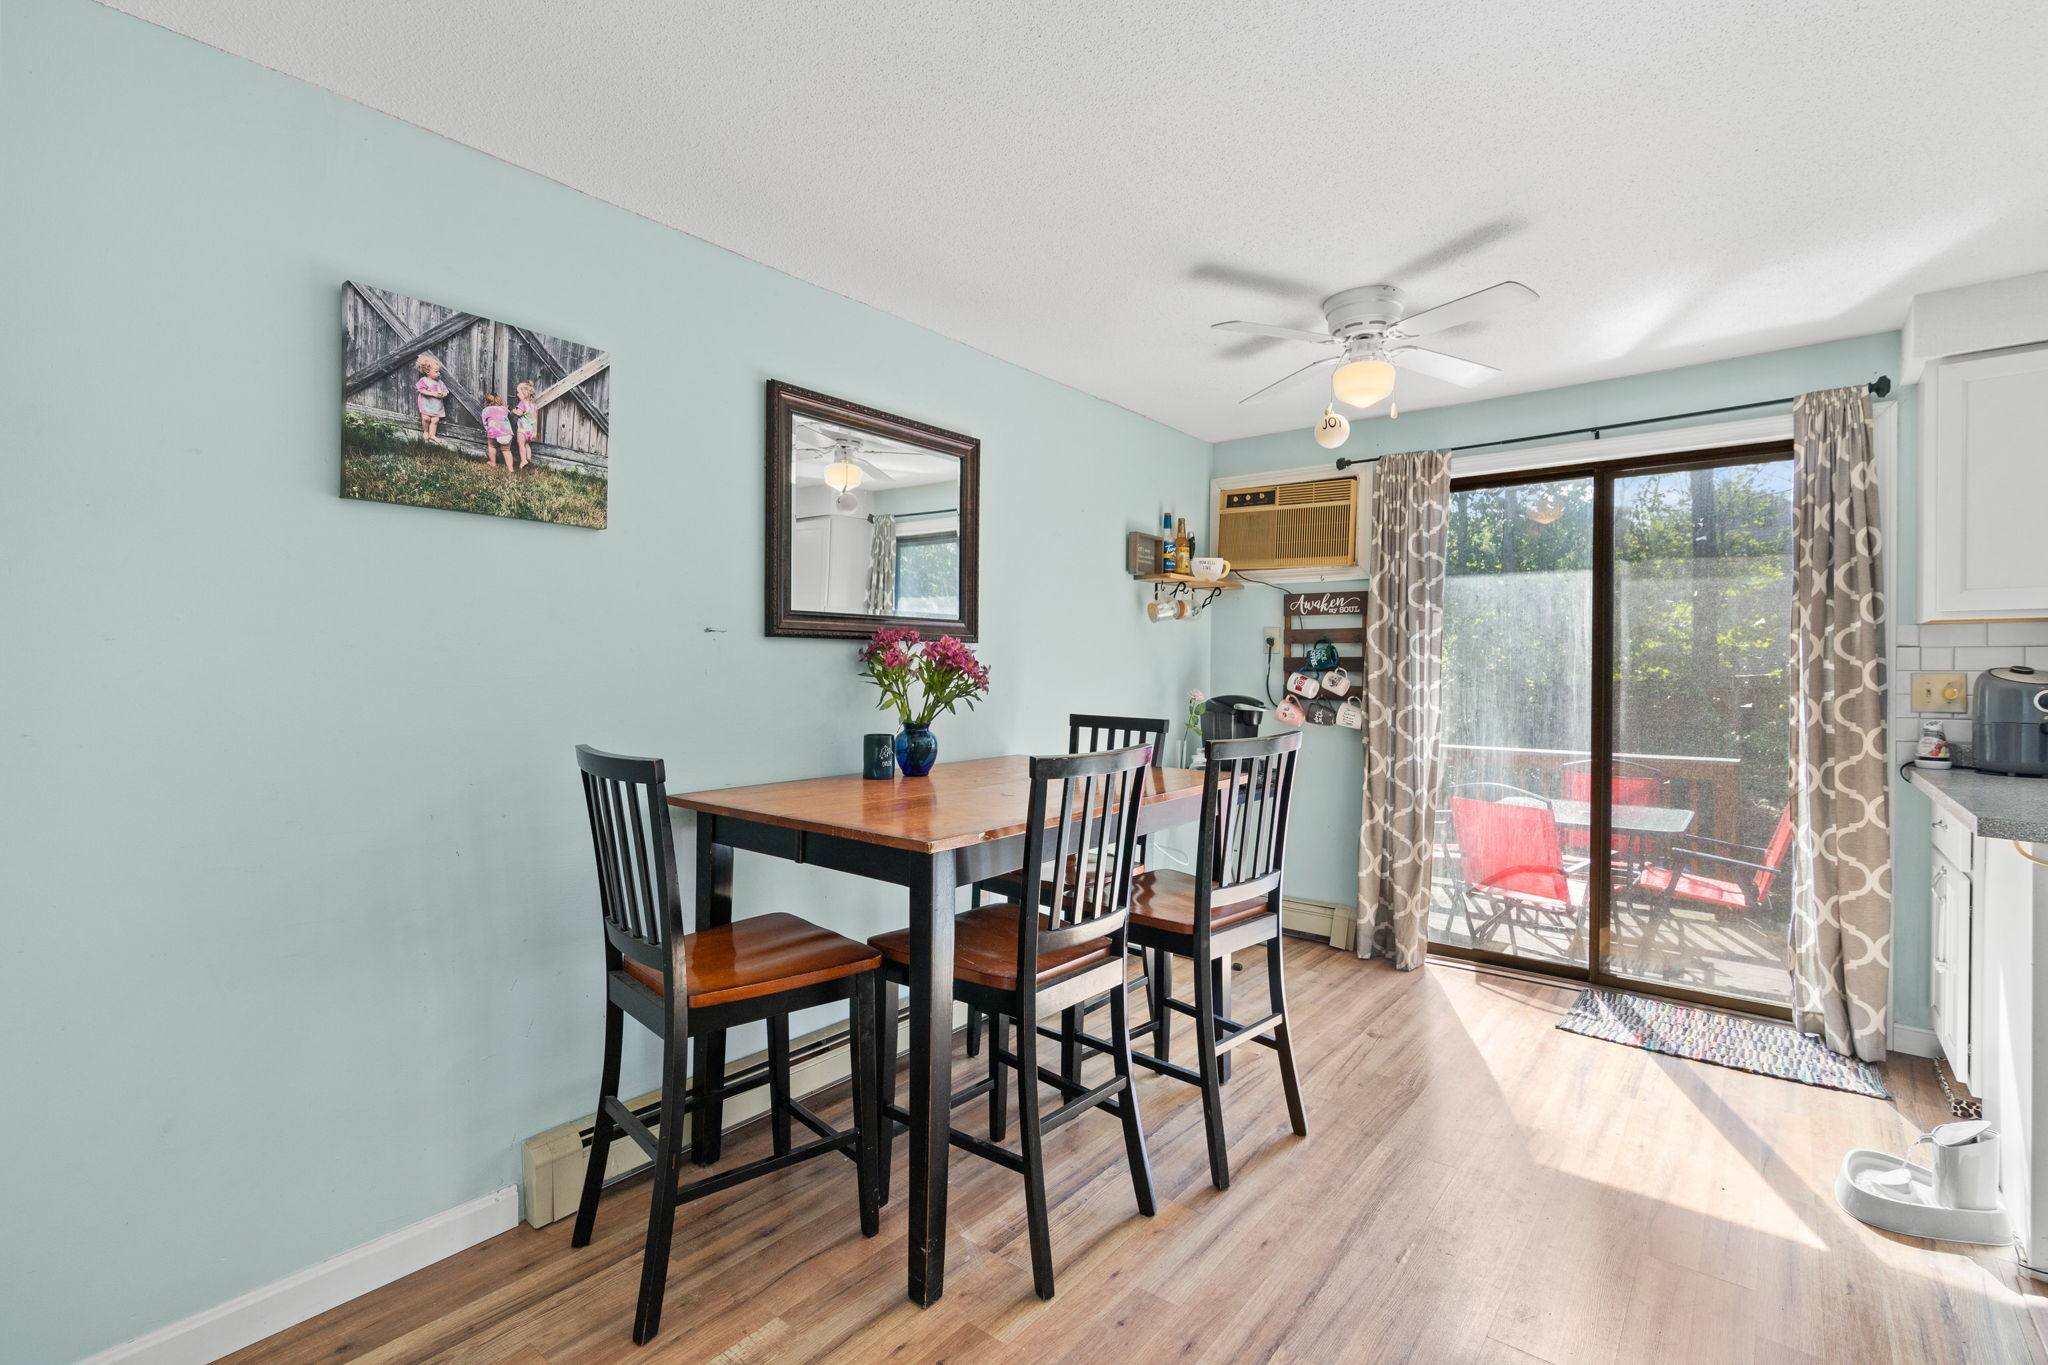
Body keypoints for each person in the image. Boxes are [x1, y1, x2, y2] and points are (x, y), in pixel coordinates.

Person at [414, 355, 449, 442]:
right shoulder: (424, 380)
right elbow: (420, 390)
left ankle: (432, 435)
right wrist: (433, 394)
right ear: (427, 371)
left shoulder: (440, 382)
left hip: (436, 405)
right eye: (436, 372)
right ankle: (426, 431)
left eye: (439, 371)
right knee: (426, 419)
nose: (439, 373)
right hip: (426, 404)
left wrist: (443, 394)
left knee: (435, 420)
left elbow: (446, 391)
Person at [480, 393, 514, 468]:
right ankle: (510, 468)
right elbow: (508, 412)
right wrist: (505, 407)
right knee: (506, 450)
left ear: (486, 402)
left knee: (492, 446)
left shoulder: (485, 410)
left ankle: (493, 462)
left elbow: (485, 423)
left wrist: (488, 430)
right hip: (507, 433)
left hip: (494, 432)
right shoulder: (504, 409)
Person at [512, 381, 540, 469]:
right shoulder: (533, 405)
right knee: (527, 445)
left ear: (524, 393)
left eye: (518, 392)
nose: (517, 394)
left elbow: (519, 413)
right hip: (530, 430)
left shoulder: (522, 403)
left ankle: (523, 460)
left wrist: (514, 411)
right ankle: (529, 459)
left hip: (523, 429)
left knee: (521, 444)